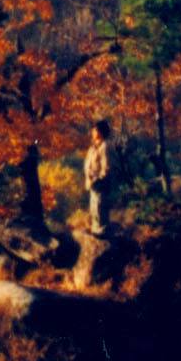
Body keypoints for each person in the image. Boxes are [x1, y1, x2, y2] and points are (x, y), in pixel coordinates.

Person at [74, 120, 117, 290]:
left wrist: (98, 180)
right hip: (93, 184)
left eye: (94, 130)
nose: (92, 132)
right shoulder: (94, 146)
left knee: (100, 208)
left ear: (99, 131)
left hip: (100, 185)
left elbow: (107, 168)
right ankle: (97, 231)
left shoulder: (105, 146)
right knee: (94, 209)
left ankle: (102, 235)